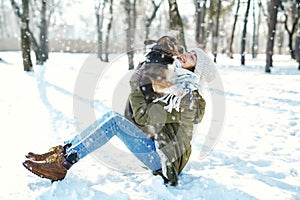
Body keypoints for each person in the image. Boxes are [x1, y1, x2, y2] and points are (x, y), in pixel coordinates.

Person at [23, 47, 216, 186]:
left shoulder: (186, 97)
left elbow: (142, 116)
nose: (184, 55)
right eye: (188, 52)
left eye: (191, 57)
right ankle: (64, 151)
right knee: (112, 117)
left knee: (115, 122)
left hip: (165, 162)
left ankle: (64, 163)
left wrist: (137, 85)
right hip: (158, 147)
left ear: (196, 70)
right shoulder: (177, 88)